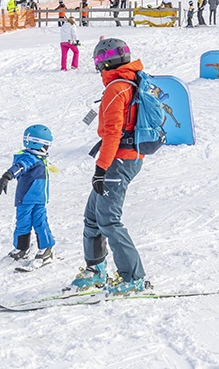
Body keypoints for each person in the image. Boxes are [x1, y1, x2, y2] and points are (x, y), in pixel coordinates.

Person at [69, 39, 149, 295]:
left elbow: (113, 133)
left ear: (105, 61)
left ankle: (133, 278)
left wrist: (101, 170)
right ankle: (96, 270)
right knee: (92, 217)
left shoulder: (117, 87)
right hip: (125, 157)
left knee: (109, 220)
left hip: (119, 160)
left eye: (98, 62)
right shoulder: (130, 80)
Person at [0, 124, 56, 266]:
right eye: (46, 145)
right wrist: (6, 177)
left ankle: (46, 249)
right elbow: (20, 166)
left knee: (39, 223)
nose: (47, 149)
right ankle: (21, 249)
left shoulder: (38, 158)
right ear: (39, 144)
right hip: (26, 198)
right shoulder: (30, 158)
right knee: (23, 224)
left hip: (37, 199)